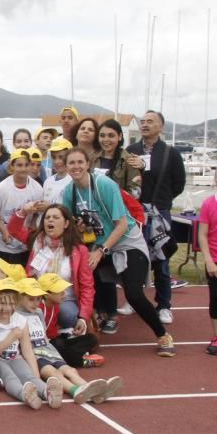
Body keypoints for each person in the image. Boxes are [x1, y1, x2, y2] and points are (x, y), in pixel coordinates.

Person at [61, 147, 175, 356]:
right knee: (80, 276)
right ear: (66, 166)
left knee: (133, 294)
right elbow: (69, 226)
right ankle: (94, 323)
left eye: (80, 162)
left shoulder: (104, 185)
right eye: (71, 163)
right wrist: (78, 229)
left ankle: (162, 334)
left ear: (88, 164)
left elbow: (121, 224)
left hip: (126, 242)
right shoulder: (68, 192)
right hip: (100, 245)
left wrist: (101, 251)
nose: (76, 166)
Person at [14, 278, 122, 404]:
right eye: (31, 299)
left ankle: (91, 389)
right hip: (34, 353)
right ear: (19, 298)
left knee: (69, 370)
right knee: (51, 371)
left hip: (47, 348)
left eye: (38, 299)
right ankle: (74, 390)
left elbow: (43, 333)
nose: (36, 303)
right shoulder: (16, 316)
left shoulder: (38, 313)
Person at [126, 110, 188, 325]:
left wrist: (162, 200)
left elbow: (179, 183)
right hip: (135, 212)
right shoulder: (131, 150)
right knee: (134, 257)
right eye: (143, 122)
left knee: (161, 259)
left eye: (150, 122)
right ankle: (134, 299)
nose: (145, 125)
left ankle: (163, 305)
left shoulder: (171, 153)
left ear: (161, 126)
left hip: (159, 212)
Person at [0, 278, 50, 409]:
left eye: (11, 304)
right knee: (10, 377)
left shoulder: (20, 320)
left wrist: (37, 376)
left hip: (14, 358)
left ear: (16, 303)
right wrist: (11, 338)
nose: (7, 308)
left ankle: (47, 392)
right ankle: (24, 395)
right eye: (2, 303)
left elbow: (28, 351)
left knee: (28, 375)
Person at [26, 204, 93, 334]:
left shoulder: (79, 250)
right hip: (38, 298)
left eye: (56, 217)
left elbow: (87, 287)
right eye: (47, 217)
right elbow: (14, 230)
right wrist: (23, 212)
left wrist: (83, 317)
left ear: (66, 223)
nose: (50, 220)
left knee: (67, 314)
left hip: (65, 300)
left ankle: (62, 334)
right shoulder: (37, 243)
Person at [0, 149, 43, 284]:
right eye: (19, 165)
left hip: (23, 244)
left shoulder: (37, 188)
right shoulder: (2, 188)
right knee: (0, 281)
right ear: (12, 167)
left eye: (26, 165)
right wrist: (4, 231)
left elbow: (37, 214)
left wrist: (32, 227)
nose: (23, 169)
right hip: (2, 243)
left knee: (20, 282)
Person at [96, 119, 141, 196]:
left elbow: (135, 192)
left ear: (119, 136)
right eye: (102, 135)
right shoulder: (93, 158)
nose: (106, 139)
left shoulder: (129, 161)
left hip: (118, 206)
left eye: (111, 136)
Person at [197, 189, 217, 355]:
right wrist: (209, 260)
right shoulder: (209, 203)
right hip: (214, 261)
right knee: (215, 300)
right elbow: (202, 235)